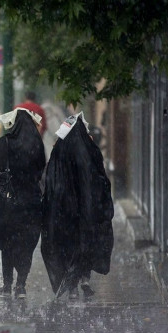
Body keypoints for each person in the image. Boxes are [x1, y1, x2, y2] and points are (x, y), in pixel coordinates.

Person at [41, 112, 114, 300]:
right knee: (85, 243)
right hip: (87, 210)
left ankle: (71, 286)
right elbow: (102, 180)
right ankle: (84, 279)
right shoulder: (91, 151)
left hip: (64, 211)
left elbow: (50, 179)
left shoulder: (59, 152)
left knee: (68, 245)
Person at [0, 109, 46, 299]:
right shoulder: (37, 143)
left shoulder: (4, 143)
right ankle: (21, 284)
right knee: (26, 243)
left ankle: (7, 283)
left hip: (8, 202)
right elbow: (40, 171)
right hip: (31, 202)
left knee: (8, 242)